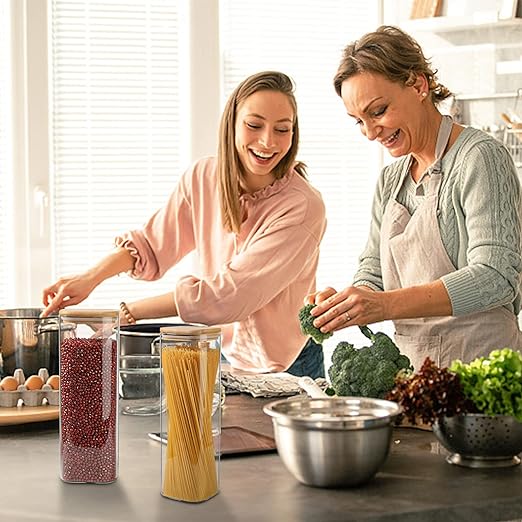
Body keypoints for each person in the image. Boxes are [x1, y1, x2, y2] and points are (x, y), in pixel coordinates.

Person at [42, 71, 327, 378]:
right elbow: (152, 245)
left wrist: (129, 313)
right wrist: (89, 278)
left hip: (290, 365)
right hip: (223, 354)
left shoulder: (303, 207)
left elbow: (230, 296)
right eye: (254, 125)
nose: (268, 141)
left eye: (282, 129)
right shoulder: (204, 178)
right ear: (231, 123)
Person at [307, 25, 522, 371]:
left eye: (377, 111)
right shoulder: (391, 179)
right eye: (358, 121)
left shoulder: (479, 158)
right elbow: (373, 271)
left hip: (483, 370)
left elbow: (497, 277)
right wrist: (346, 302)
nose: (370, 132)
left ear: (418, 85)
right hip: (415, 374)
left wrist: (384, 305)